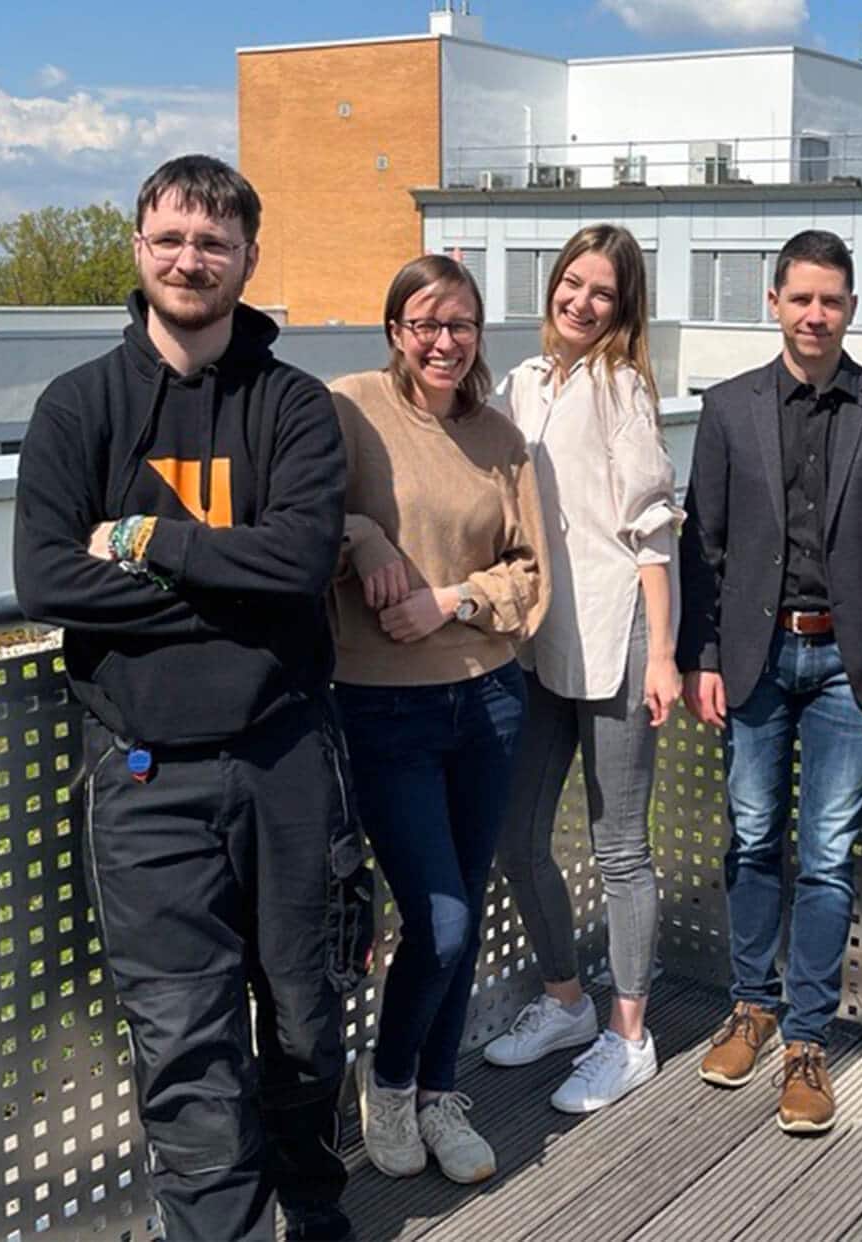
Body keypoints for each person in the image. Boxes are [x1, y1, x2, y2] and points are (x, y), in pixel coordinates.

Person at [12, 154, 367, 1242]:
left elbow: (299, 564)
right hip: (144, 778)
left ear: (249, 259)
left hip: (286, 760)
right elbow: (47, 581)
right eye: (169, 239)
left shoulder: (295, 406)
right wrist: (232, 592)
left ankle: (314, 1207)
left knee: (305, 1015)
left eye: (214, 243)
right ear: (138, 248)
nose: (189, 260)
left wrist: (147, 544)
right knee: (184, 1039)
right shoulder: (79, 406)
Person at [676, 230, 862, 1132]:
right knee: (753, 833)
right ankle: (751, 1005)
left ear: (852, 309)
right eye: (801, 298)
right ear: (773, 302)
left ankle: (807, 1038)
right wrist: (702, 656)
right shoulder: (729, 407)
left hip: (850, 664)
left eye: (831, 301)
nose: (816, 315)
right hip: (755, 657)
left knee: (829, 850)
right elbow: (703, 543)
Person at [329, 255, 547, 1185]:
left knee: (464, 903)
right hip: (382, 705)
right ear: (394, 330)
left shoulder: (500, 437)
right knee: (442, 920)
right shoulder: (347, 410)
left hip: (489, 698)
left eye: (459, 324)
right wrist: (363, 535)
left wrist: (450, 601)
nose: (443, 342)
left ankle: (435, 1091)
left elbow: (529, 572)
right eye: (424, 323)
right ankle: (386, 1081)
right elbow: (301, 517)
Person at [486, 224, 684, 1114]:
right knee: (516, 835)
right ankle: (566, 1000)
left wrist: (664, 655)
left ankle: (630, 1037)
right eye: (572, 282)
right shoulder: (521, 382)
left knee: (620, 847)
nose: (581, 301)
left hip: (617, 639)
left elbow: (652, 532)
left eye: (602, 291)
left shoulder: (620, 388)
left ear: (623, 306)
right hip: (535, 644)